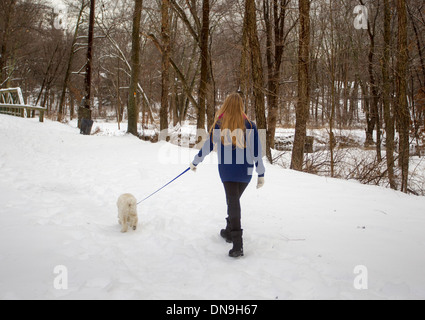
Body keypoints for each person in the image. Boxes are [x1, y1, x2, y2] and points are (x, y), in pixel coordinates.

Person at [190, 93, 266, 258]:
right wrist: (260, 173)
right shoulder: (250, 126)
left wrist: (195, 162)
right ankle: (229, 231)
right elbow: (257, 153)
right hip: (246, 171)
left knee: (233, 202)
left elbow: (208, 146)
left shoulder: (220, 124)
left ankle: (237, 244)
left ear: (225, 106)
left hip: (227, 171)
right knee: (233, 200)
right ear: (241, 107)